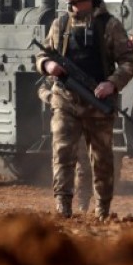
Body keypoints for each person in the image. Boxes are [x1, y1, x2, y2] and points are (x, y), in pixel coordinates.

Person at [36, 0, 133, 220]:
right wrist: (48, 65)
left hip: (98, 103)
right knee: (62, 153)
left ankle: (102, 209)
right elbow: (43, 55)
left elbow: (129, 61)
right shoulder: (59, 24)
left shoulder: (110, 25)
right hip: (65, 100)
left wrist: (112, 83)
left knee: (102, 159)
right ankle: (63, 206)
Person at [37, 81, 93, 213]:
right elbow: (42, 88)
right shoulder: (61, 70)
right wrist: (52, 98)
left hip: (87, 120)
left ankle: (83, 204)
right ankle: (63, 204)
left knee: (85, 167)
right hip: (66, 122)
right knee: (63, 160)